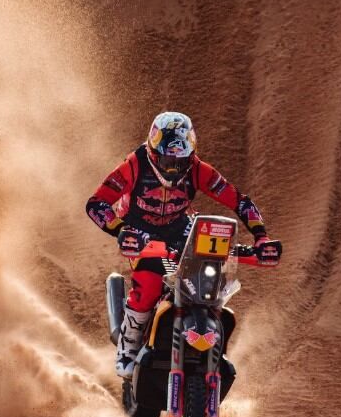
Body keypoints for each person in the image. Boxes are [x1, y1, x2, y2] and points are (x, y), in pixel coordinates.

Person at [86, 111, 283, 377]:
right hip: (138, 230)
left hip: (179, 228)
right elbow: (96, 203)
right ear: (153, 151)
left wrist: (261, 238)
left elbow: (240, 201)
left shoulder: (199, 170)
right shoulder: (134, 165)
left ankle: (206, 336)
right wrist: (122, 231)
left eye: (180, 161)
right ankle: (129, 344)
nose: (173, 168)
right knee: (149, 283)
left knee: (207, 275)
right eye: (167, 160)